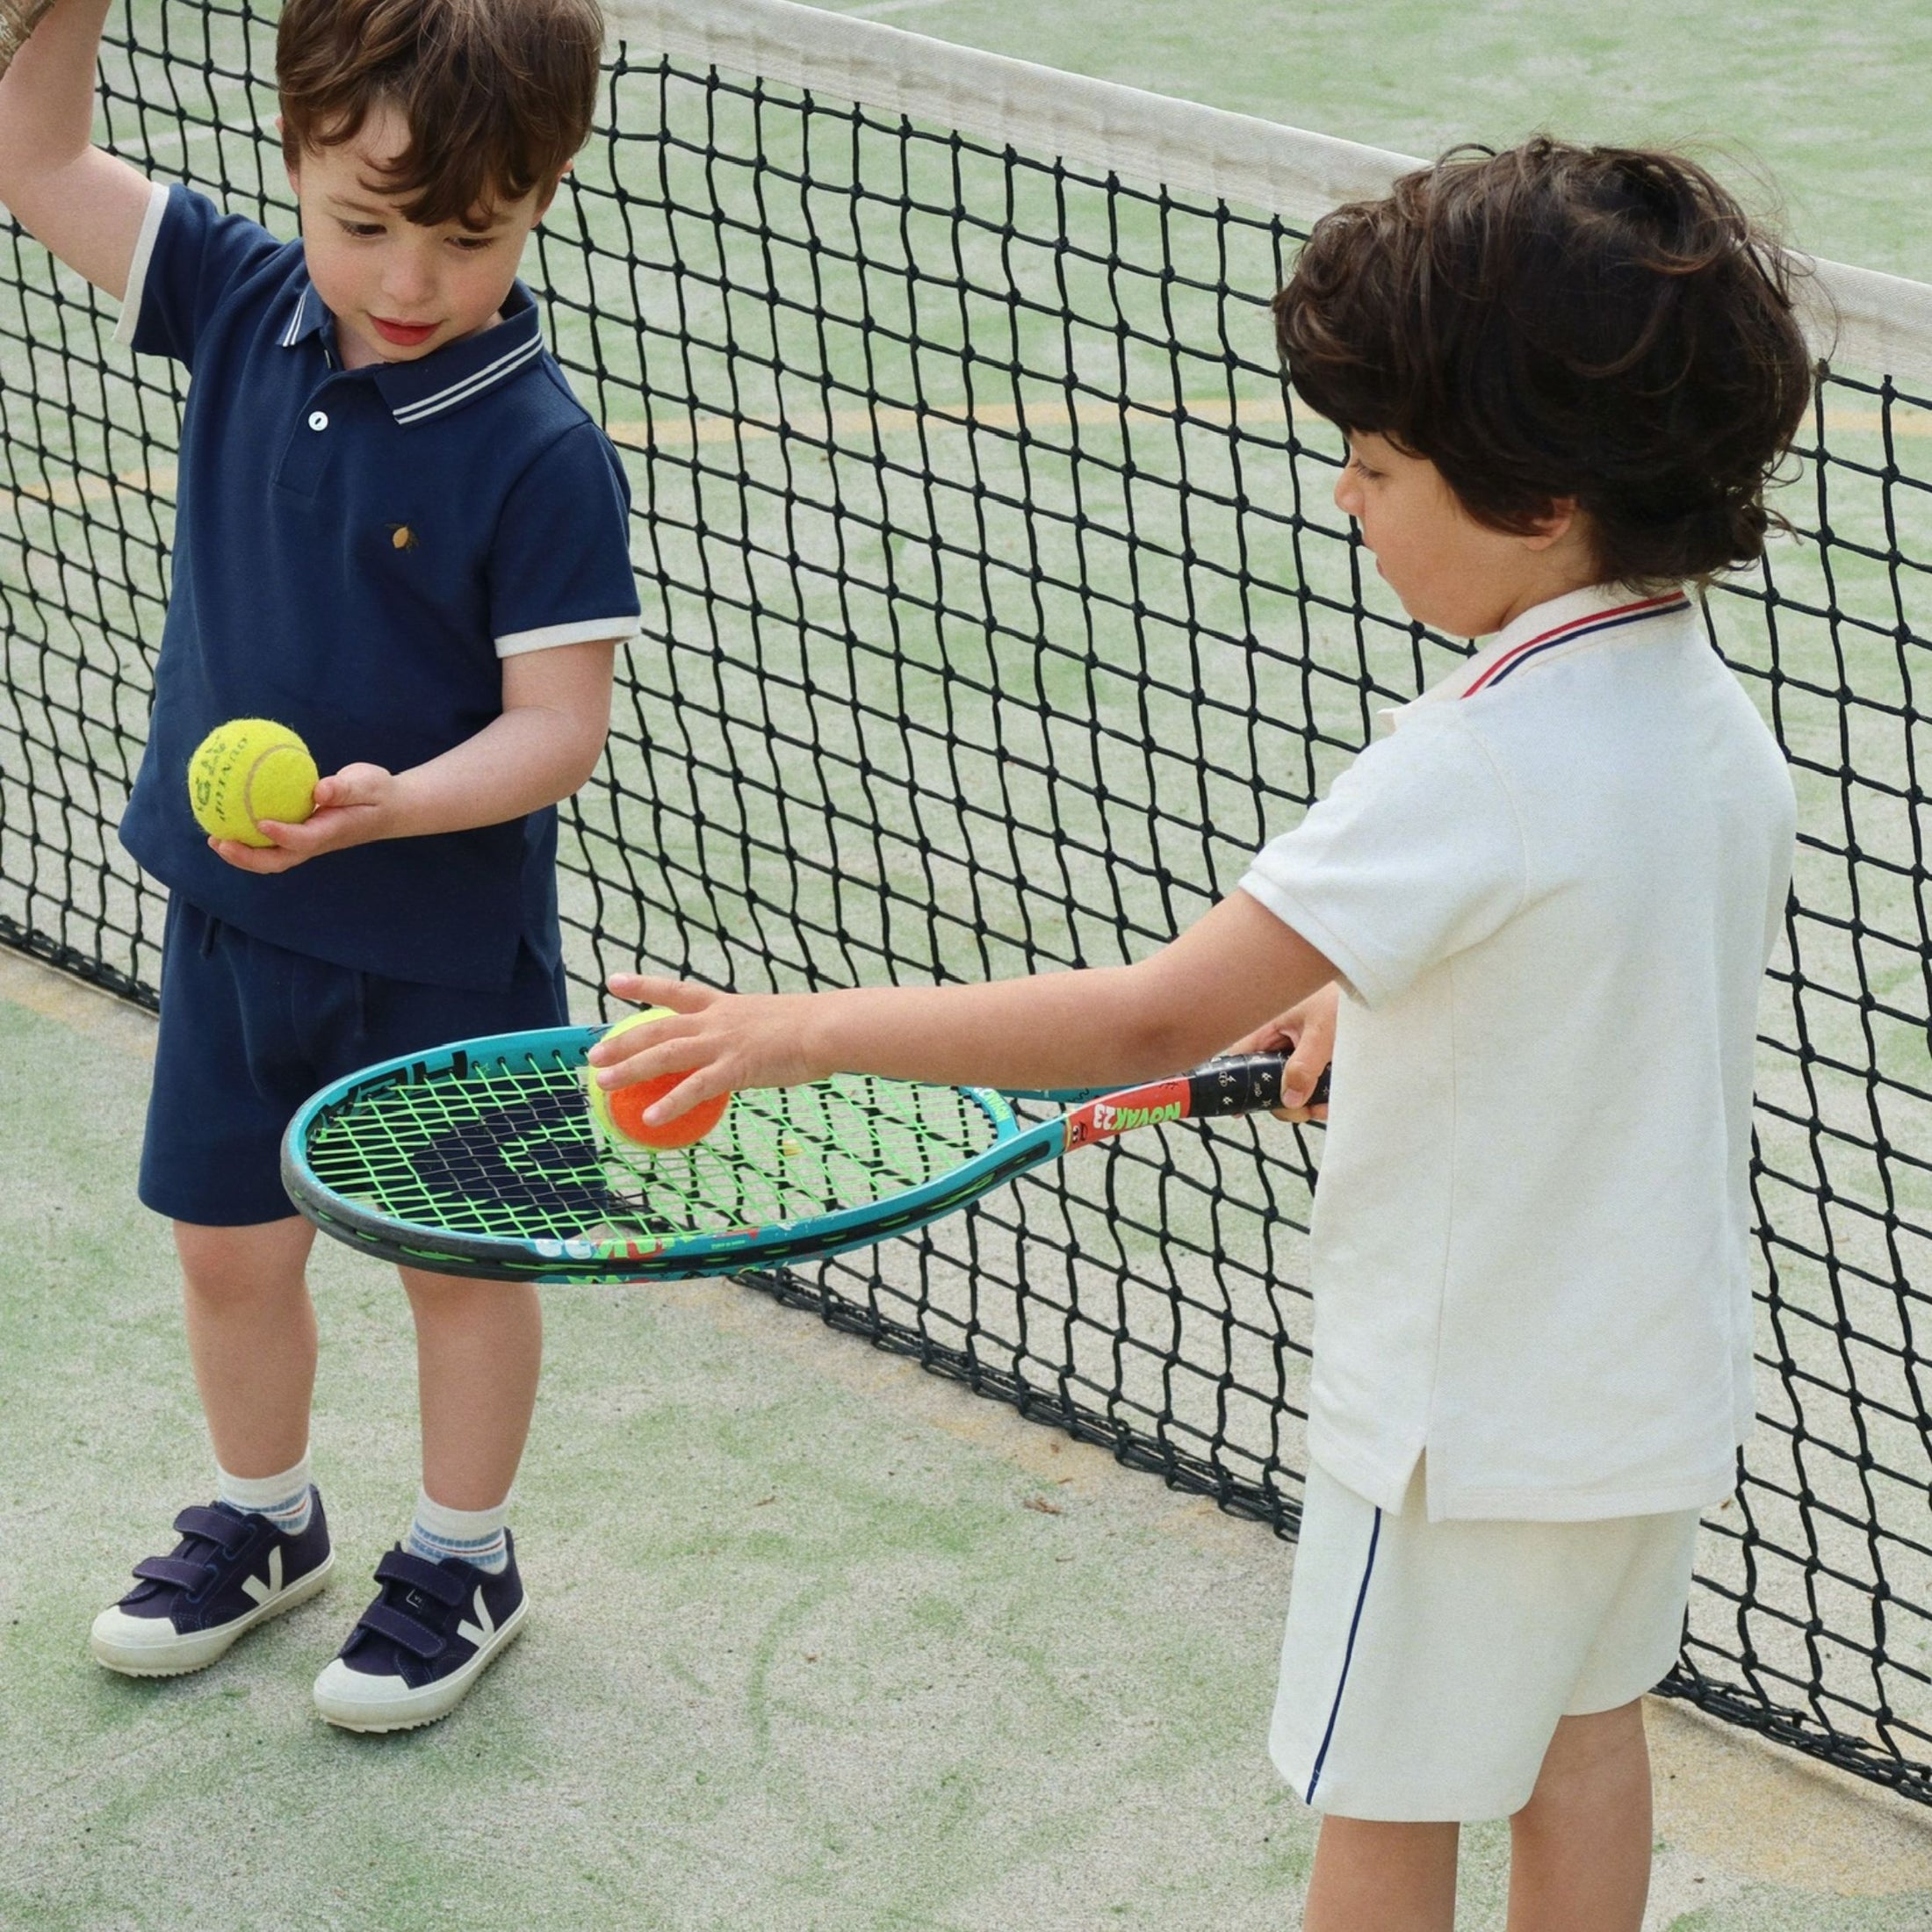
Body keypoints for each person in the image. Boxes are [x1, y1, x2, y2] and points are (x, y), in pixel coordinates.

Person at [588, 141, 1812, 1928]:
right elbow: (1587, 951)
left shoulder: (1462, 763)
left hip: (1450, 1427)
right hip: (1645, 1388)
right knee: (1580, 1737)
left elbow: (1150, 1010)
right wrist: (1370, 981)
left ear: (1539, 497)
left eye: (1376, 466)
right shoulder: (1709, 723)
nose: (1344, 497)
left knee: (1378, 1800)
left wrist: (803, 1028)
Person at [0, 0, 638, 1731]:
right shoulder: (230, 293)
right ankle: (268, 1517)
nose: (412, 277)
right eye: (363, 223)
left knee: (459, 1264)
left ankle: (461, 1552)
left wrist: (398, 802)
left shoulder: (540, 445)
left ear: (540, 195)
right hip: (231, 919)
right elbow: (36, 155)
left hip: (442, 950)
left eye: (470, 233)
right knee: (226, 1245)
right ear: (289, 156)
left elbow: (554, 726)